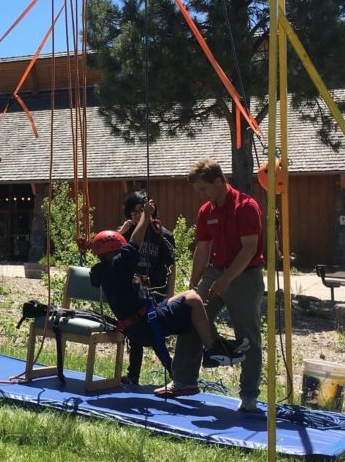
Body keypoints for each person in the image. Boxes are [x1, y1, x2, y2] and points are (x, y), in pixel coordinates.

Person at [154, 158, 264, 413]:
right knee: (190, 313)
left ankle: (248, 396)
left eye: (204, 189)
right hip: (215, 272)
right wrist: (194, 286)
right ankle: (184, 381)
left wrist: (227, 280)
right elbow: (202, 250)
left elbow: (249, 249)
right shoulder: (207, 210)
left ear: (219, 182)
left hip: (245, 274)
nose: (202, 195)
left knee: (247, 335)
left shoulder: (246, 206)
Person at [89, 199, 247, 374]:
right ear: (116, 250)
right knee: (194, 299)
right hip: (146, 325)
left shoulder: (103, 271)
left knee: (190, 300)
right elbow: (134, 243)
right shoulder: (118, 265)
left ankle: (219, 345)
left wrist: (121, 232)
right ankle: (212, 350)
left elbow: (112, 246)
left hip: (137, 326)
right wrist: (146, 215)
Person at [117, 190, 175, 384]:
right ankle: (133, 375)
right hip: (134, 293)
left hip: (155, 291)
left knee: (154, 335)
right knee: (134, 334)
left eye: (141, 211)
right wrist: (121, 233)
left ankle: (174, 372)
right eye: (133, 212)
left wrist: (170, 293)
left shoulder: (161, 234)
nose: (137, 216)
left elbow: (171, 265)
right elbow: (107, 253)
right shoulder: (127, 235)